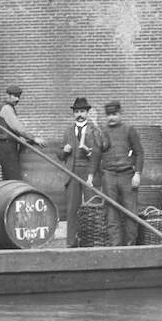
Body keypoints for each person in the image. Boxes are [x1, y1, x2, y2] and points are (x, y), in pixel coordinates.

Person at [59, 97, 108, 247]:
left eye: (82, 111)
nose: (79, 114)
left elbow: (101, 152)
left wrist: (90, 152)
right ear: (73, 114)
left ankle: (92, 242)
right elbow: (60, 156)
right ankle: (71, 243)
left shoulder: (95, 130)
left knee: (92, 206)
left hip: (89, 172)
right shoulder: (68, 131)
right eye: (77, 112)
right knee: (72, 209)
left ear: (87, 113)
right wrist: (64, 151)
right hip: (72, 172)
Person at [97, 101, 144, 247]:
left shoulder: (129, 130)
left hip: (127, 175)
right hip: (109, 176)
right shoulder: (102, 132)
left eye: (114, 114)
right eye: (108, 115)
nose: (111, 117)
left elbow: (139, 153)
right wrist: (91, 175)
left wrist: (137, 174)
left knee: (131, 211)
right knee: (111, 212)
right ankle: (115, 245)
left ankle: (131, 243)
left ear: (120, 114)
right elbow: (96, 154)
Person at [0, 85, 44, 181]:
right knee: (15, 180)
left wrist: (23, 139)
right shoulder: (7, 108)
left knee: (8, 181)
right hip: (7, 148)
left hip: (5, 147)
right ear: (7, 95)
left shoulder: (6, 108)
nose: (17, 99)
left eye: (19, 96)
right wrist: (33, 138)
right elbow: (18, 128)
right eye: (15, 96)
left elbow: (12, 131)